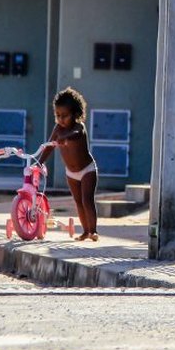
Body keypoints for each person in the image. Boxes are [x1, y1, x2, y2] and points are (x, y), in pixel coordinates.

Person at [40, 87, 98, 241]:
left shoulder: (79, 127)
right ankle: (85, 231)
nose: (61, 119)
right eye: (58, 115)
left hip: (87, 169)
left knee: (87, 200)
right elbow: (50, 145)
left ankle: (93, 231)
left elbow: (74, 134)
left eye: (65, 116)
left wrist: (64, 136)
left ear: (76, 114)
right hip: (71, 173)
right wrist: (39, 162)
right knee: (78, 202)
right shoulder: (58, 129)